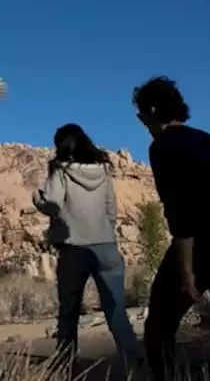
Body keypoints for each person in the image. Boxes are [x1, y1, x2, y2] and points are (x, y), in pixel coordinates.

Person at [133, 76, 210, 381]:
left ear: (149, 114)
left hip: (196, 247)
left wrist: (187, 271)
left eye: (141, 115)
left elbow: (180, 212)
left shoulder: (163, 146)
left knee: (159, 326)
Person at [32, 123, 143, 373]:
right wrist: (102, 230)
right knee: (116, 311)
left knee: (69, 313)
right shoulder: (103, 171)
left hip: (74, 250)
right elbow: (112, 211)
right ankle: (134, 362)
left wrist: (36, 199)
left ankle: (65, 367)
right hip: (106, 248)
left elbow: (53, 205)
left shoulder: (60, 170)